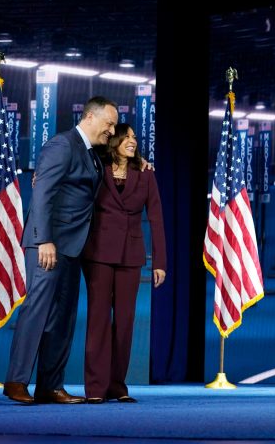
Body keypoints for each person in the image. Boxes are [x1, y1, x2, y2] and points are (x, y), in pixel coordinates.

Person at [3, 96, 118, 404]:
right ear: (91, 117)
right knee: (37, 312)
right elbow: (42, 193)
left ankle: (50, 386)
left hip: (73, 247)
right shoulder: (62, 145)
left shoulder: (93, 154)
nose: (112, 131)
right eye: (109, 124)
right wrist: (43, 239)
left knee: (62, 319)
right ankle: (16, 381)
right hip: (48, 245)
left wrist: (141, 163)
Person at [80, 123, 167, 403]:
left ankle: (117, 386)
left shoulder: (145, 174)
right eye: (126, 137)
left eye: (134, 137)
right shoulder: (97, 168)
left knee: (126, 322)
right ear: (114, 141)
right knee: (98, 321)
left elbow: (156, 219)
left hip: (131, 256)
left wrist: (160, 262)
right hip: (98, 254)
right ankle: (95, 388)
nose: (133, 141)